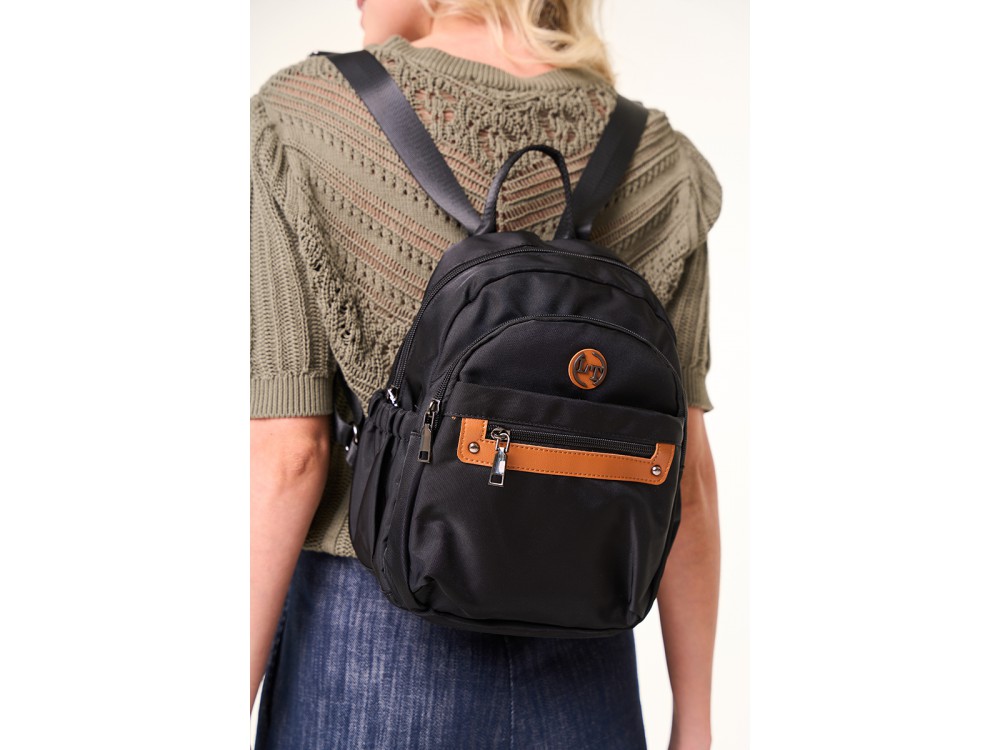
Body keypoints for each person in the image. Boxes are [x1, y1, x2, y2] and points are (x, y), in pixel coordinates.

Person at [250, 1, 722, 747]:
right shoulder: (661, 161)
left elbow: (289, 457)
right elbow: (684, 477)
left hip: (374, 639)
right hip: (587, 657)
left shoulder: (302, 119)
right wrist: (694, 726)